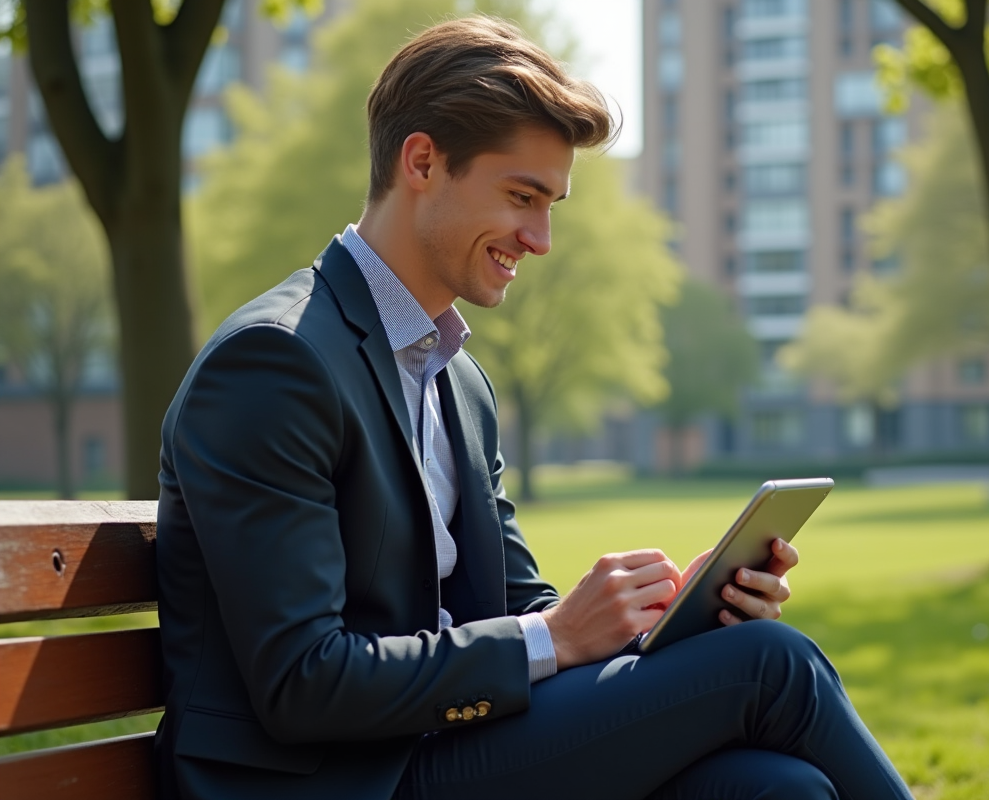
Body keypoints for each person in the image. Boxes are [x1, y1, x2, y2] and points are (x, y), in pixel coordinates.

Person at [154, 16, 913, 800]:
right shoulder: (275, 362)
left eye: (551, 204)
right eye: (522, 196)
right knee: (771, 666)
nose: (541, 238)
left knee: (775, 787)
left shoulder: (458, 381)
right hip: (330, 779)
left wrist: (671, 623)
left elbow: (518, 610)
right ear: (422, 161)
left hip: (436, 748)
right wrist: (556, 635)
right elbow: (302, 682)